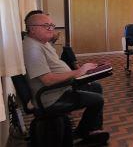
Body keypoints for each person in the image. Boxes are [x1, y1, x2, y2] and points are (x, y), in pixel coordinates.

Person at [23, 14, 109, 144]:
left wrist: (83, 75)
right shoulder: (32, 48)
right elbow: (48, 80)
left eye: (52, 25)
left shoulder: (41, 42)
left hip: (59, 88)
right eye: (46, 26)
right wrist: (78, 72)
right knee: (98, 100)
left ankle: (91, 129)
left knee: (96, 86)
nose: (51, 29)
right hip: (50, 96)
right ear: (32, 29)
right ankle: (83, 133)